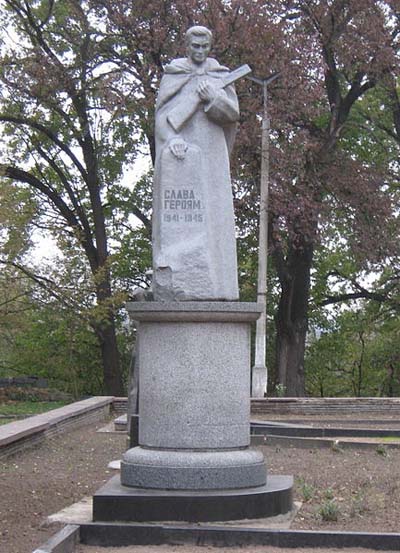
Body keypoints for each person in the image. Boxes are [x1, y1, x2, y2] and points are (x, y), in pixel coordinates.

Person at [152, 26, 240, 301]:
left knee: (215, 217)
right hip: (183, 154)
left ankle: (217, 285)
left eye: (204, 47)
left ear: (210, 47)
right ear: (187, 46)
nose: (200, 52)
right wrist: (171, 139)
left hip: (212, 153)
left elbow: (232, 114)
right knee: (182, 226)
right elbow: (163, 117)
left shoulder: (220, 74)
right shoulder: (174, 73)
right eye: (195, 46)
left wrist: (212, 97)